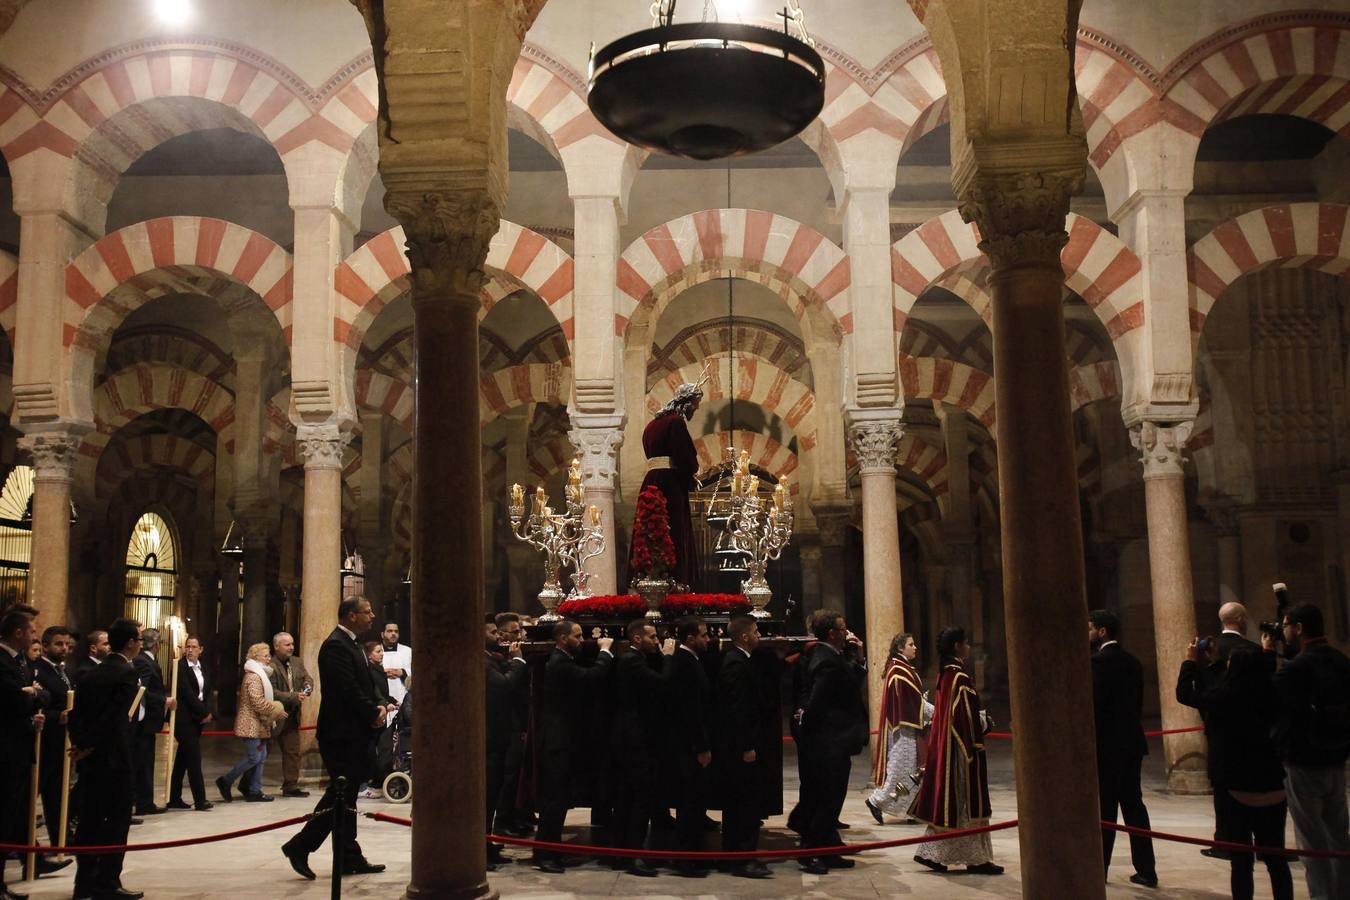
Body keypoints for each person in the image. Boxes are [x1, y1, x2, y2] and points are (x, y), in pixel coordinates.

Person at [282, 596, 388, 880]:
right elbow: (346, 688)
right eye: (367, 612)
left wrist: (378, 705)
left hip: (353, 731)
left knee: (347, 797)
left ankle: (348, 857)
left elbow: (366, 682)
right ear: (352, 615)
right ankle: (300, 845)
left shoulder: (350, 643)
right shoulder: (335, 646)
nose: (372, 615)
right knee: (340, 796)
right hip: (341, 734)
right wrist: (371, 710)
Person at [1178, 640, 1293, 900]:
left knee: (1241, 862)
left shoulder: (1223, 697)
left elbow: (1185, 694)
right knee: (1276, 859)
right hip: (1271, 781)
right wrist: (1267, 653)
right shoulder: (1272, 695)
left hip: (1235, 783)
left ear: (1234, 668)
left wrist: (1190, 662)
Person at [1272, 602, 1350, 900]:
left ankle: (1322, 896)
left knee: (1311, 841)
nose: (1284, 631)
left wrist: (1271, 655)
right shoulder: (1342, 661)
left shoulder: (1298, 668)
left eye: (1287, 625)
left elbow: (1271, 700)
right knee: (1338, 835)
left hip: (1303, 761)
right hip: (1336, 758)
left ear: (1299, 628)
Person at [909, 626, 1002, 875]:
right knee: (962, 803)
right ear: (957, 647)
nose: (969, 646)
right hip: (961, 750)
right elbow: (963, 717)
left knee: (951, 803)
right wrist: (985, 724)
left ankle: (936, 855)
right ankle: (975, 859)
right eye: (966, 642)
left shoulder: (946, 674)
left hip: (948, 747)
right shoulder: (959, 676)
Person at [68, 616, 144, 900]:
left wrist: (81, 745)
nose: (140, 644)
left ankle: (84, 883)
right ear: (130, 643)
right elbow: (113, 718)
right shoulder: (125, 673)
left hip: (92, 759)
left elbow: (77, 713)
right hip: (113, 759)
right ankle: (107, 882)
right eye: (138, 639)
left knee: (89, 821)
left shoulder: (92, 673)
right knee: (115, 822)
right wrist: (90, 744)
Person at [531, 620, 615, 874]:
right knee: (554, 802)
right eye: (577, 636)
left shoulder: (564, 659)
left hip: (563, 740)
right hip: (558, 742)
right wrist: (605, 653)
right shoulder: (559, 663)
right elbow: (590, 678)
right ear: (562, 638)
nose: (581, 640)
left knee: (559, 800)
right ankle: (545, 854)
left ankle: (551, 850)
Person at [1089, 610, 1157, 888]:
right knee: (1134, 807)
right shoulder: (1133, 662)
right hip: (1131, 744)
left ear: (1103, 631)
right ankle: (1147, 870)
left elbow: (1093, 707)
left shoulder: (1098, 663)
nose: (1088, 633)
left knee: (1105, 810)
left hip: (1107, 748)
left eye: (1090, 628)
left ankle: (1098, 871)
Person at [797, 609, 868, 875]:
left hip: (833, 741)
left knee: (832, 797)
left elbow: (848, 682)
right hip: (828, 742)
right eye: (843, 628)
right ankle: (811, 853)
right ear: (832, 633)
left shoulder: (831, 655)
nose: (846, 632)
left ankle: (827, 849)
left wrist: (858, 657)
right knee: (825, 799)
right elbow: (817, 702)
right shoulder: (825, 658)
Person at [610, 620, 675, 876]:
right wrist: (668, 657)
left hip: (631, 736)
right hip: (634, 739)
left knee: (629, 796)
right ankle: (633, 853)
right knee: (638, 797)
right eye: (651, 637)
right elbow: (661, 685)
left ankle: (622, 853)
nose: (656, 640)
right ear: (637, 639)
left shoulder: (635, 658)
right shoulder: (632, 661)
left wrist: (659, 654)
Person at [629, 381, 702, 588]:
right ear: (687, 402)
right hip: (670, 485)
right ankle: (675, 581)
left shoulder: (651, 426)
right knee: (673, 530)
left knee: (648, 529)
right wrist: (692, 473)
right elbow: (686, 458)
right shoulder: (676, 422)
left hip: (651, 481)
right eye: (696, 403)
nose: (697, 408)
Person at [717, 614, 772, 879]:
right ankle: (741, 857)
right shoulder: (735, 664)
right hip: (741, 749)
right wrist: (747, 745)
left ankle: (739, 855)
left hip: (742, 746)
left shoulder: (742, 661)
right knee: (743, 803)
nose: (759, 635)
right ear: (744, 636)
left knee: (744, 803)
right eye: (757, 631)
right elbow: (738, 710)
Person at [1, 603, 44, 900]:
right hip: (5, 751)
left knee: (10, 817)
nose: (34, 636)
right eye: (31, 631)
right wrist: (28, 696)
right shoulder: (3, 662)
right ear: (18, 633)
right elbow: (13, 701)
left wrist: (31, 698)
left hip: (17, 747)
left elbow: (32, 695)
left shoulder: (18, 662)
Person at [867, 631, 932, 825]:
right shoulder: (899, 671)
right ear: (900, 648)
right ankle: (875, 801)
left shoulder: (902, 668)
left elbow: (915, 699)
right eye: (911, 644)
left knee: (914, 770)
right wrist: (936, 711)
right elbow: (913, 702)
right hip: (904, 730)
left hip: (910, 727)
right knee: (900, 770)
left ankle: (913, 809)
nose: (915, 647)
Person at [666, 616, 713, 877]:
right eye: (704, 635)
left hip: (689, 745)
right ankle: (684, 858)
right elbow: (690, 712)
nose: (708, 639)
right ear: (690, 639)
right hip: (688, 747)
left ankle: (692, 855)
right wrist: (702, 747)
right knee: (690, 803)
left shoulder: (690, 661)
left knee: (694, 803)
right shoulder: (684, 665)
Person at [34, 625, 80, 860]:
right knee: (38, 791)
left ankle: (60, 837)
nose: (64, 648)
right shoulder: (39, 671)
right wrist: (57, 716)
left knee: (57, 794)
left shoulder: (65, 671)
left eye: (66, 644)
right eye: (58, 644)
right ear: (45, 645)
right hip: (45, 741)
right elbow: (38, 707)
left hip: (63, 742)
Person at [484, 619, 527, 870]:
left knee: (492, 797)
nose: (497, 635)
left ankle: (487, 845)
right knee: (486, 798)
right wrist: (519, 660)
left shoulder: (492, 658)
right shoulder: (482, 660)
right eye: (492, 632)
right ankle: (480, 849)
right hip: (490, 740)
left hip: (497, 739)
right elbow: (505, 686)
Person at [217, 642, 284, 803]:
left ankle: (254, 790)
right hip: (250, 723)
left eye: (269, 655)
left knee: (261, 756)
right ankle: (226, 780)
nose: (269, 659)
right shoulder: (254, 676)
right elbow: (257, 702)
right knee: (254, 757)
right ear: (256, 657)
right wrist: (275, 710)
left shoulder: (260, 674)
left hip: (258, 723)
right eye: (265, 656)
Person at [491, 612, 531, 837]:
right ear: (502, 634)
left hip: (518, 719)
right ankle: (502, 821)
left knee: (516, 775)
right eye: (515, 632)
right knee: (508, 776)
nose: (520, 635)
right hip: (507, 721)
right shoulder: (499, 658)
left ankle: (513, 816)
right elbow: (509, 687)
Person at [131, 628, 175, 816]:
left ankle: (144, 800)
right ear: (157, 645)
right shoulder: (143, 661)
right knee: (143, 761)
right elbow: (142, 690)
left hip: (149, 721)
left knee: (146, 761)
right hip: (144, 721)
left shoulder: (147, 660)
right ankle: (143, 802)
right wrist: (163, 700)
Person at [168, 636, 212, 811]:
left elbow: (207, 692)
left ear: (201, 649)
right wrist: (204, 712)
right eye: (188, 646)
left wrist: (208, 712)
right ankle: (200, 800)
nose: (190, 650)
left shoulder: (204, 667)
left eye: (194, 647)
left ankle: (174, 798)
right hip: (184, 719)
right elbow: (186, 693)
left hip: (197, 720)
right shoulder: (180, 666)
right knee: (194, 759)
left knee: (182, 760)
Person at [267, 632, 312, 798]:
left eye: (292, 644)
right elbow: (272, 691)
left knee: (292, 751)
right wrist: (294, 696)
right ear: (276, 646)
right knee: (261, 753)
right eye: (287, 645)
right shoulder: (270, 665)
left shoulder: (297, 661)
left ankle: (291, 785)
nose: (291, 647)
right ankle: (246, 783)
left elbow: (307, 678)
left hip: (292, 715)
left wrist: (307, 687)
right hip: (275, 715)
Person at [379, 622, 411, 707]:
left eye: (396, 631)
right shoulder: (376, 651)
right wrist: (381, 673)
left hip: (403, 693)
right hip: (384, 698)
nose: (393, 634)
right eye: (389, 631)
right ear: (382, 634)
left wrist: (403, 672)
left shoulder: (408, 651)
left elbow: (418, 671)